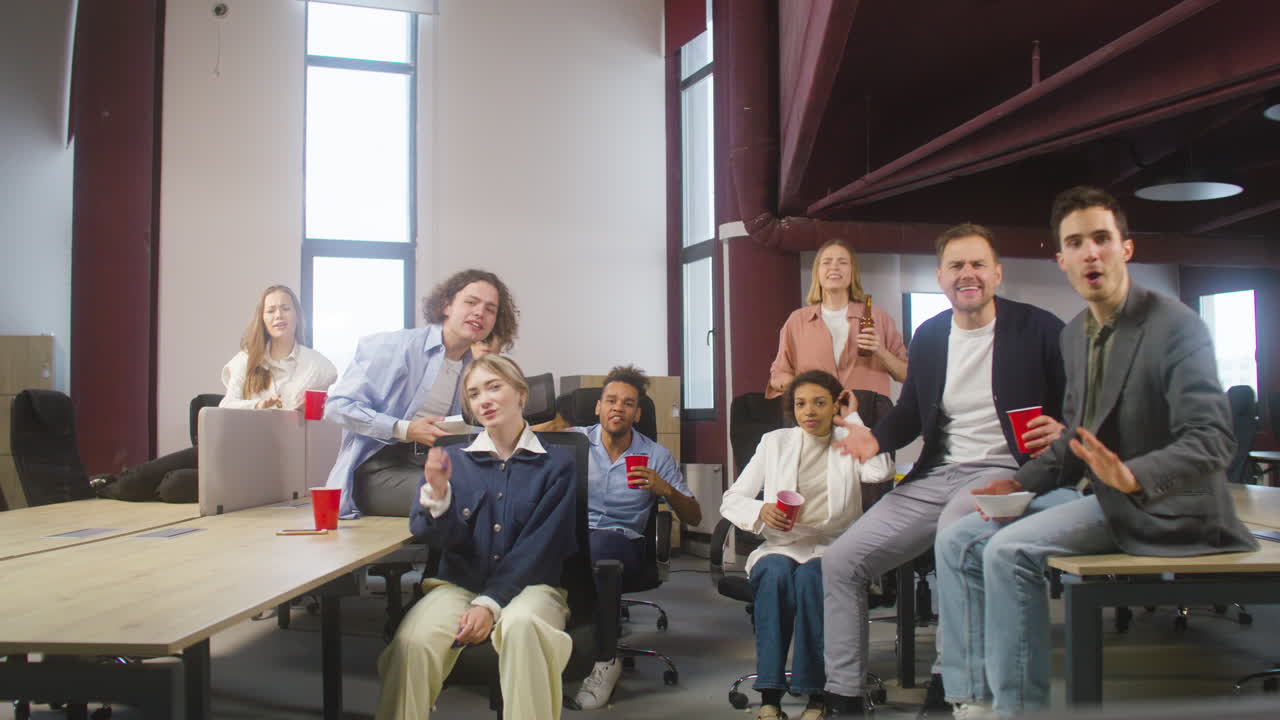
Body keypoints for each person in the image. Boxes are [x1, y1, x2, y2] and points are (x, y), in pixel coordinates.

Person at [934, 187, 1258, 719]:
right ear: (1060, 260)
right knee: (958, 536)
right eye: (1076, 243)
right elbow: (1072, 441)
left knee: (1006, 552)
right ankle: (972, 699)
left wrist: (1131, 475)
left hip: (1166, 507)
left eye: (1102, 239)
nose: (1091, 253)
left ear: (1125, 248)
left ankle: (1018, 711)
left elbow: (1213, 440)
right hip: (1107, 497)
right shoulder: (1076, 336)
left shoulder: (1175, 325)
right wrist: (1017, 484)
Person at [822, 224, 1069, 716]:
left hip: (1006, 471)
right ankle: (843, 693)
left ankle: (950, 681)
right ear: (941, 276)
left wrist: (1064, 429)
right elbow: (912, 412)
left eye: (978, 264)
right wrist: (876, 437)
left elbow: (1077, 405)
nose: (968, 274)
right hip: (934, 472)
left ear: (997, 273)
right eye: (956, 265)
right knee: (842, 561)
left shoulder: (1040, 328)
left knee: (954, 536)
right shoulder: (931, 335)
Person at [375, 354, 578, 720]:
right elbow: (432, 535)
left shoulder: (557, 463)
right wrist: (437, 494)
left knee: (523, 625)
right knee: (412, 642)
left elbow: (542, 547)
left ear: (520, 394)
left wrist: (490, 603)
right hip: (458, 585)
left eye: (494, 386)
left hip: (533, 587)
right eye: (473, 393)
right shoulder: (453, 460)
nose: (483, 398)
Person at [721, 371, 894, 720]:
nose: (809, 411)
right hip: (781, 545)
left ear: (835, 407)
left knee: (811, 579)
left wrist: (855, 420)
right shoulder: (775, 443)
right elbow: (732, 498)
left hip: (833, 546)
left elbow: (881, 471)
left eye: (820, 403)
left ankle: (816, 693)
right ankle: (770, 694)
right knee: (774, 575)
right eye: (801, 404)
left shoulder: (847, 440)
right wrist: (761, 510)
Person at [534, 366, 701, 710]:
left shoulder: (656, 456)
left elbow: (694, 516)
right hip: (575, 539)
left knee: (601, 549)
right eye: (611, 400)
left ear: (637, 414)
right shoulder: (574, 442)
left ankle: (605, 659)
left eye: (627, 403)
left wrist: (663, 487)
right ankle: (565, 651)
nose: (617, 408)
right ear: (598, 407)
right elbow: (524, 445)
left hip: (625, 543)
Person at [90, 285, 336, 502]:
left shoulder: (319, 367)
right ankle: (100, 487)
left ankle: (123, 488)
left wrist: (315, 411)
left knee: (173, 485)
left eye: (285, 308)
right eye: (270, 310)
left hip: (274, 460)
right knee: (139, 478)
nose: (278, 315)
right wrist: (258, 407)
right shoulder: (246, 360)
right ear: (262, 318)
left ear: (297, 316)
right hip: (231, 445)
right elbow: (227, 405)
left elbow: (326, 419)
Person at [324, 269, 519, 517]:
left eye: (490, 309)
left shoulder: (472, 368)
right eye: (471, 302)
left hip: (432, 465)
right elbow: (337, 406)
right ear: (446, 305)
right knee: (464, 496)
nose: (480, 312)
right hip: (377, 470)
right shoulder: (394, 346)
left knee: (509, 487)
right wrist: (403, 429)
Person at [768, 238, 908, 401]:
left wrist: (881, 352)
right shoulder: (796, 321)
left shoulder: (879, 318)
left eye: (842, 262)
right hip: (815, 421)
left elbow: (906, 375)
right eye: (826, 262)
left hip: (867, 420)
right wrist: (804, 387)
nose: (834, 267)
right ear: (817, 272)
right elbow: (778, 375)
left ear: (852, 271)